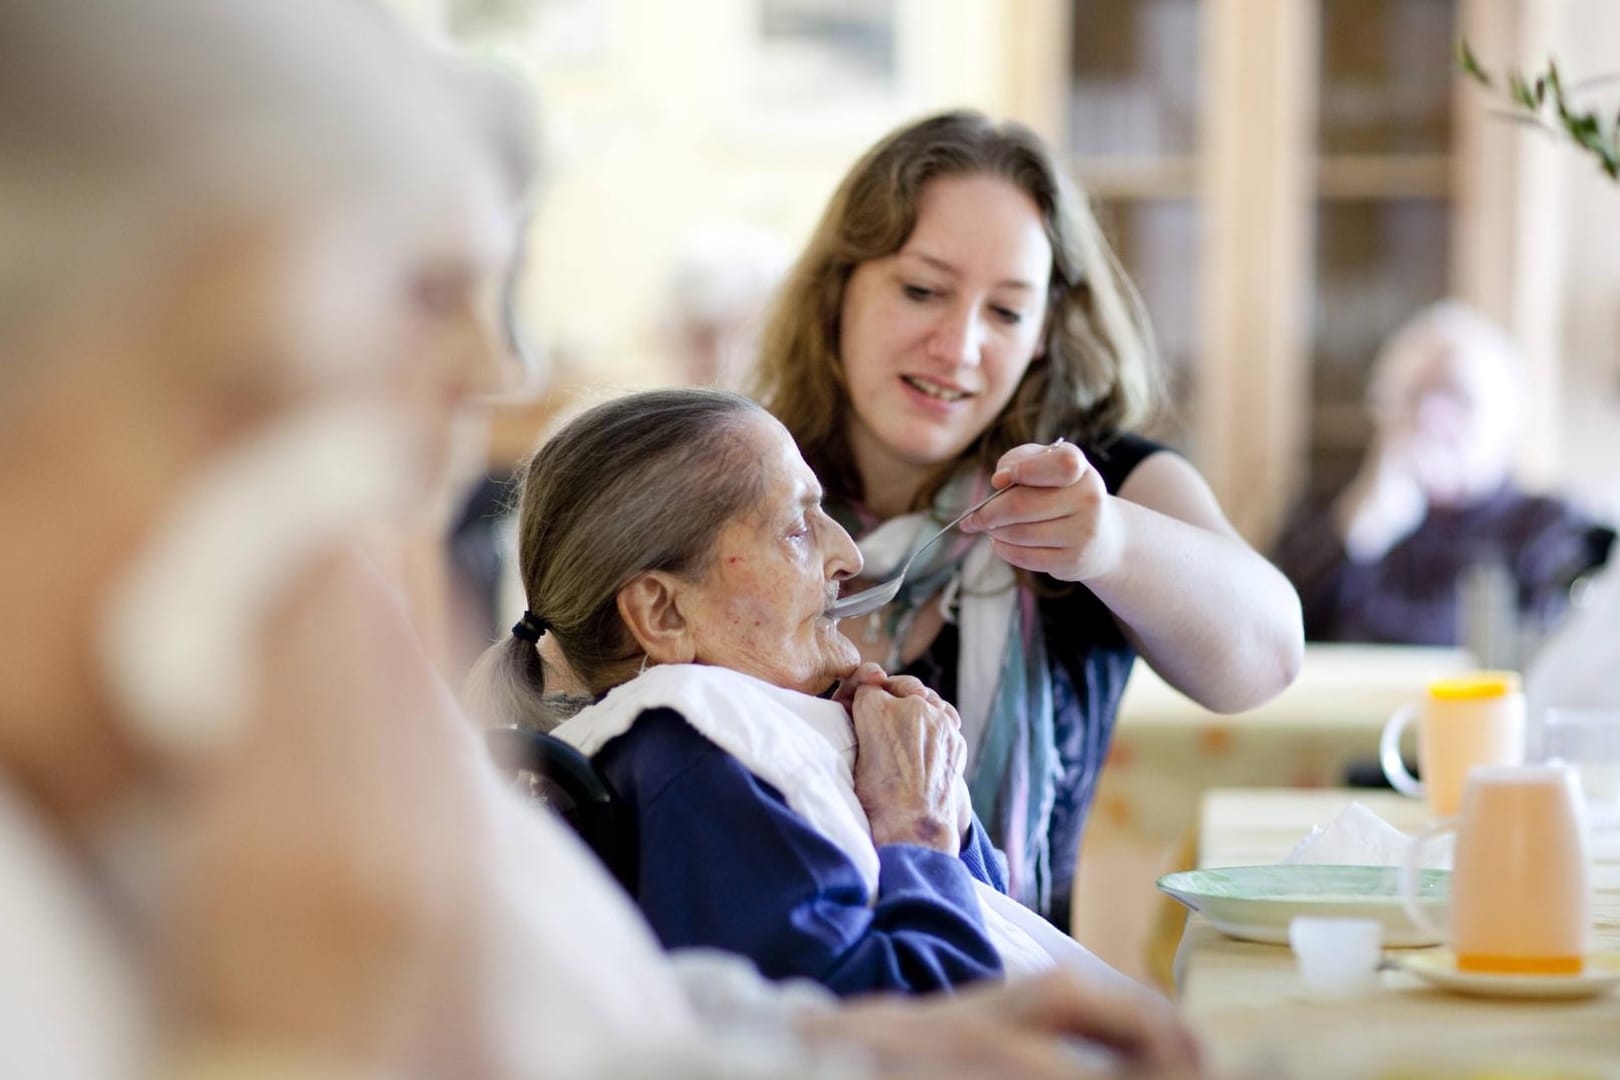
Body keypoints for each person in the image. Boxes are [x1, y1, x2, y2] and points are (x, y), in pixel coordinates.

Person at [0, 3, 1205, 1077]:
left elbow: (588, 1013)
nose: (498, 366)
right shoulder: (689, 745)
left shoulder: (306, 707)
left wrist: (842, 1036)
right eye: (415, 292)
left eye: (1010, 308)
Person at [751, 110, 1304, 924]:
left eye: (1006, 312)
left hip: (1018, 1013)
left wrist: (1113, 544)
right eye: (922, 290)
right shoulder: (744, 480)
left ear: (1046, 334)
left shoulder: (1102, 484)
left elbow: (1268, 658)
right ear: (837, 292)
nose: (960, 345)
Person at [468, 388, 1154, 998]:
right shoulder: (694, 757)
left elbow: (988, 925)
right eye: (796, 529)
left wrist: (935, 793)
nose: (849, 557)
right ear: (664, 615)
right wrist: (917, 829)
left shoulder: (743, 740)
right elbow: (907, 1033)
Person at [1274, 301, 1611, 649]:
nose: (1430, 418)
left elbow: (1559, 650)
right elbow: (1271, 631)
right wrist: (1357, 531)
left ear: (1507, 419)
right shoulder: (1331, 509)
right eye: (1413, 396)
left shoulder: (1549, 528)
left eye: (1458, 397)